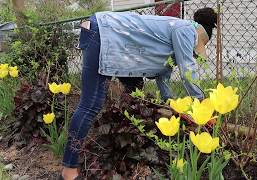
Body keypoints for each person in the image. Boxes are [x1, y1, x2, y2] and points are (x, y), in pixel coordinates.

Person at [59, 7, 217, 180]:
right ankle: (69, 171)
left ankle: (122, 149)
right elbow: (188, 70)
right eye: (196, 49)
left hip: (108, 36)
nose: (193, 53)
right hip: (104, 33)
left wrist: (172, 105)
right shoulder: (186, 29)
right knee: (91, 104)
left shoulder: (169, 40)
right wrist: (202, 103)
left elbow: (162, 78)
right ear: (199, 37)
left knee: (135, 91)